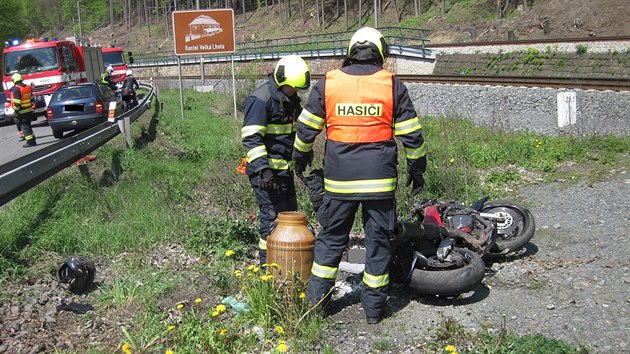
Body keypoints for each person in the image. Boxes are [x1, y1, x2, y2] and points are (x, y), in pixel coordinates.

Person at [292, 27, 427, 324]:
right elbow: (411, 136)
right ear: (380, 53)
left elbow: (305, 130)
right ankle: (374, 312)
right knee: (377, 243)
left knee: (330, 239)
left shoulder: (329, 82)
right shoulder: (391, 84)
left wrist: (300, 159)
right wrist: (417, 170)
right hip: (380, 182)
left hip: (339, 182)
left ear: (350, 51)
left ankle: (316, 305)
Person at [242, 55, 311, 265]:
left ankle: (287, 263)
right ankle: (268, 268)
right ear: (282, 81)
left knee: (289, 218)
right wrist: (263, 168)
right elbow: (251, 138)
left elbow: (292, 133)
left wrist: (302, 154)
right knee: (272, 219)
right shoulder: (260, 100)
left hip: (282, 171)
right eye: (292, 88)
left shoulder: (289, 100)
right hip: (264, 173)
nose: (295, 92)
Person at [10, 73, 37, 147]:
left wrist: (15, 111)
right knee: (28, 125)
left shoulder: (16, 89)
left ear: (14, 80)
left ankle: (30, 142)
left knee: (24, 126)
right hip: (29, 110)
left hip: (22, 111)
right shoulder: (28, 87)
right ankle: (33, 139)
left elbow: (17, 103)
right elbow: (31, 99)